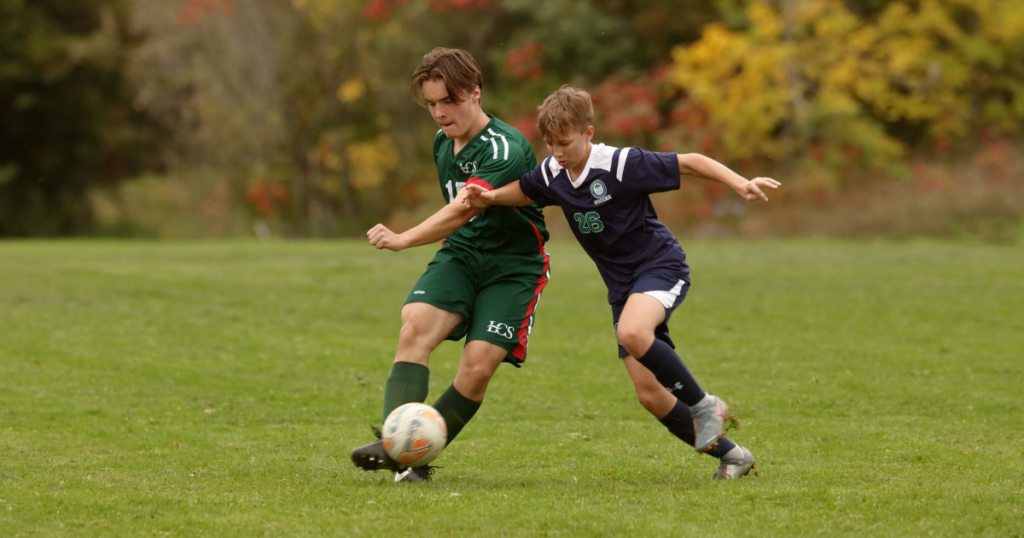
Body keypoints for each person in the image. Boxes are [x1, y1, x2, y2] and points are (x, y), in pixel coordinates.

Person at [462, 86, 780, 480]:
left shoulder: (620, 164)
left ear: (589, 132)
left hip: (659, 265)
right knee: (650, 394)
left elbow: (691, 162)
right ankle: (733, 456)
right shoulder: (553, 172)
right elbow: (526, 191)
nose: (557, 152)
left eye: (565, 143)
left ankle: (704, 405)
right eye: (550, 144)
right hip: (622, 286)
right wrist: (489, 197)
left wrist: (739, 183)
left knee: (632, 331)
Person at [350, 48, 551, 483]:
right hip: (461, 253)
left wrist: (403, 238)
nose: (440, 113)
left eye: (449, 101)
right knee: (414, 327)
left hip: (513, 266)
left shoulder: (505, 147)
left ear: (475, 94)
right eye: (432, 104)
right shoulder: (443, 142)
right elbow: (459, 222)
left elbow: (462, 209)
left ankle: (409, 452)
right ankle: (400, 452)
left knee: (477, 369)